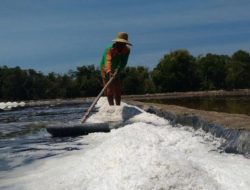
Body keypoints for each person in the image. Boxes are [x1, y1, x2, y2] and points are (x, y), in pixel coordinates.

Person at [100, 32, 132, 106]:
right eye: (119, 43)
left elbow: (124, 62)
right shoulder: (109, 49)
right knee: (109, 87)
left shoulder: (127, 50)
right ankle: (111, 106)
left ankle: (118, 106)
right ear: (116, 42)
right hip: (105, 67)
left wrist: (118, 70)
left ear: (125, 44)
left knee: (117, 88)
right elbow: (107, 61)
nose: (120, 45)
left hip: (116, 69)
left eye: (123, 44)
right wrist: (109, 71)